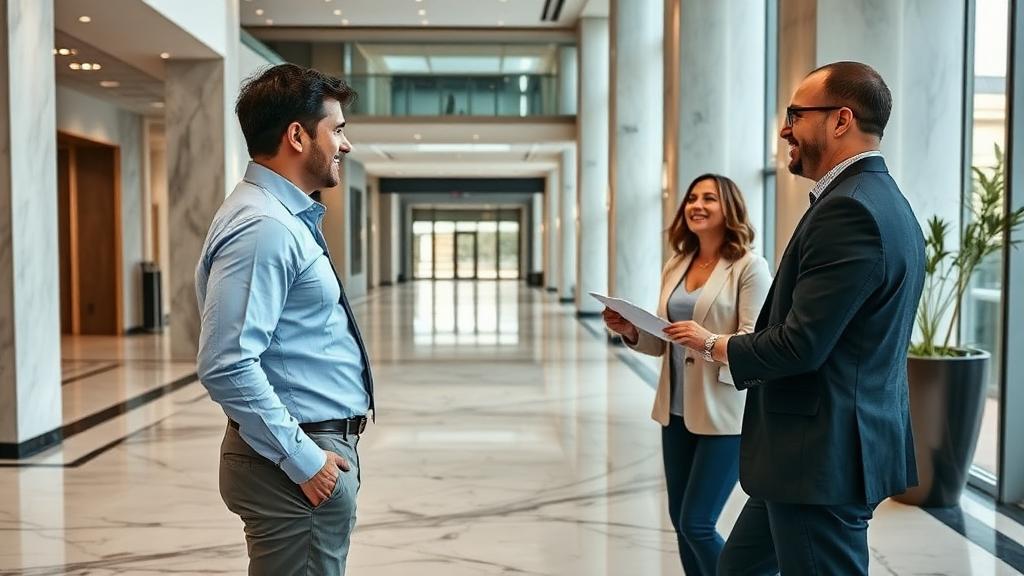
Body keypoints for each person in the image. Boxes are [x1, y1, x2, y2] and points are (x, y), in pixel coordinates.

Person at [668, 61, 925, 575]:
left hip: (819, 454)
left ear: (840, 120)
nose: (785, 129)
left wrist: (712, 344)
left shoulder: (849, 210)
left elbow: (800, 344)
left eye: (794, 114)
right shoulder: (878, 200)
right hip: (807, 453)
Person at [195, 63, 374, 575]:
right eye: (336, 129)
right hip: (295, 463)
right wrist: (306, 461)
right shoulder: (265, 226)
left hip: (302, 452)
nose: (345, 144)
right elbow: (226, 362)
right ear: (297, 135)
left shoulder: (276, 216)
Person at [603, 174, 771, 575]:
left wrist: (706, 339)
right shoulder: (677, 264)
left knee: (698, 523)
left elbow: (754, 342)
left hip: (723, 412)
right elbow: (664, 340)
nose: (697, 204)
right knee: (681, 523)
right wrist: (629, 330)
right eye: (692, 197)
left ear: (729, 208)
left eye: (709, 198)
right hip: (675, 410)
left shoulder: (749, 267)